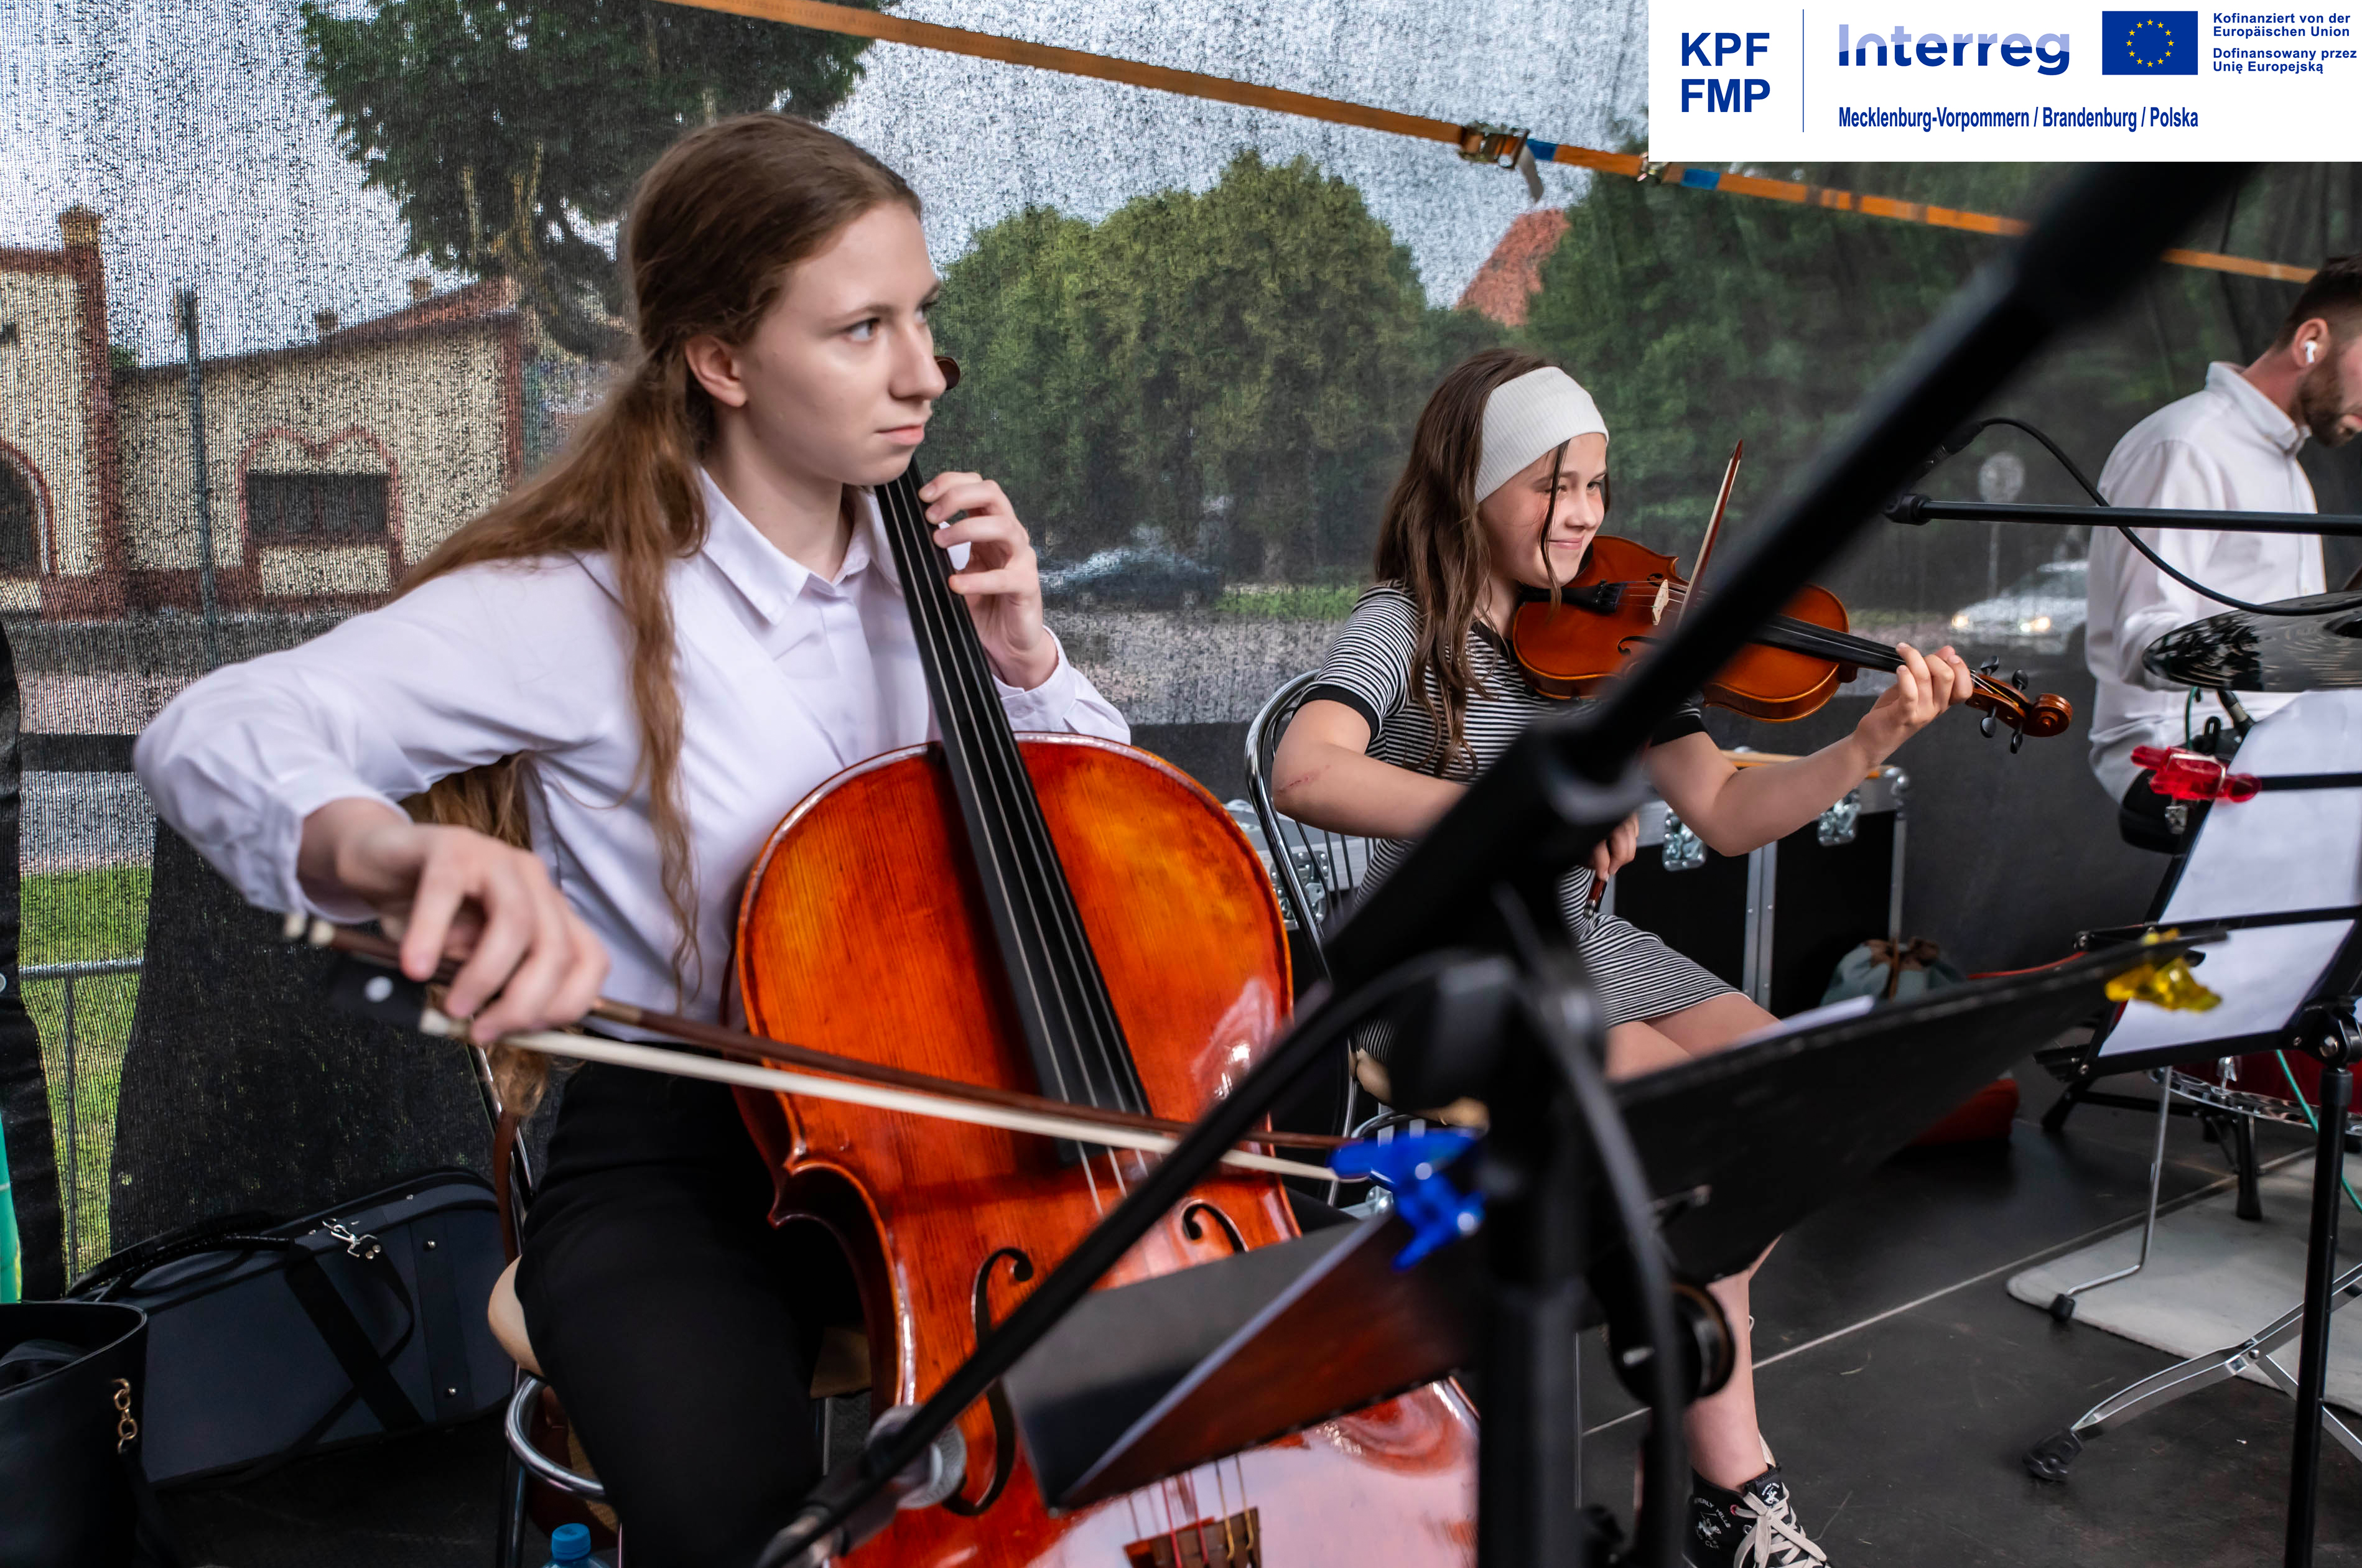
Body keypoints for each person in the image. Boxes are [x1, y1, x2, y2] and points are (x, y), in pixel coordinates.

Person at [134, 116, 1128, 1567]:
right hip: (689, 1155)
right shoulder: (584, 603)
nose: (925, 373)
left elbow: (1121, 862)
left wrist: (1028, 662)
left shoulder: (940, 579)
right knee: (741, 1525)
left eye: (924, 315)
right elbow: (213, 729)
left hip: (987, 1115)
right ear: (722, 360)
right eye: (862, 328)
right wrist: (381, 854)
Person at [1270, 349, 1976, 1568]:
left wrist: (1868, 741)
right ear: (1471, 484)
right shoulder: (1406, 623)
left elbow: (1729, 812)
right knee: (1691, 1128)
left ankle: (1691, 1454)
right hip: (1448, 962)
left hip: (1583, 940)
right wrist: (1515, 808)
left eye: (1596, 483)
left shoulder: (1622, 640)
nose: (1585, 514)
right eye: (1553, 485)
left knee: (1795, 1100)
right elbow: (1305, 768)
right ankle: (1730, 1477)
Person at [2086, 249, 2362, 850]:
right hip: (2179, 751)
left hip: (2277, 740)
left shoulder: (2285, 465)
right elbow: (2144, 641)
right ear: (2311, 340)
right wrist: (2303, 651)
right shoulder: (2187, 444)